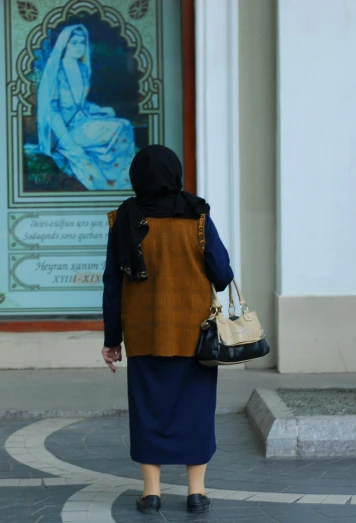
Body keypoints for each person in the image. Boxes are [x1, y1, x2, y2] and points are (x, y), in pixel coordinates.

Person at [101, 145, 234, 515]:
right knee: (196, 410)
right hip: (195, 336)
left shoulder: (124, 219)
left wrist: (113, 341)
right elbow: (222, 275)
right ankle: (195, 492)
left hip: (144, 335)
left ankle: (152, 493)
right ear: (176, 174)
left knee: (149, 411)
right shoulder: (197, 216)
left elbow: (112, 286)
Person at [36, 24, 135, 190]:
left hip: (83, 122)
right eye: (74, 42)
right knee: (121, 127)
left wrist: (100, 110)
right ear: (64, 44)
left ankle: (122, 181)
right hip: (65, 132)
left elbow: (80, 104)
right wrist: (68, 143)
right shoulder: (57, 72)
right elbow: (52, 113)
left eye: (82, 42)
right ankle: (116, 182)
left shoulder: (82, 69)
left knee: (124, 124)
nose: (79, 47)